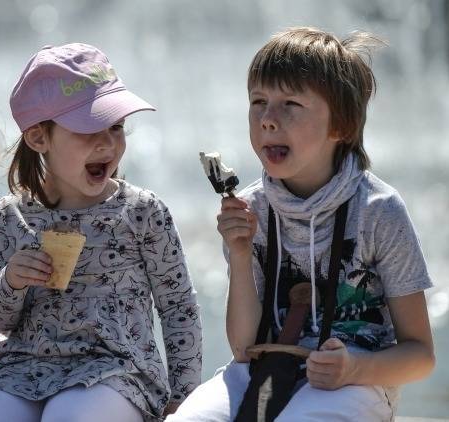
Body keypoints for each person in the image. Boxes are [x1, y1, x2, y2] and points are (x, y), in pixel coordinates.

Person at [168, 27, 435, 421]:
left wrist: (354, 368)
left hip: (354, 380)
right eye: (258, 101)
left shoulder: (379, 210)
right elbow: (243, 349)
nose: (268, 120)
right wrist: (240, 254)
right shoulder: (250, 207)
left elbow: (421, 355)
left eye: (290, 103)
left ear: (340, 126)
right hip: (262, 369)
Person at [0, 43, 202, 422]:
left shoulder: (141, 212)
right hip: (22, 368)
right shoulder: (11, 214)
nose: (107, 142)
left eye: (117, 126)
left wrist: (184, 400)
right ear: (39, 138)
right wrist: (12, 281)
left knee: (68, 416)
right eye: (89, 128)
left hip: (117, 372)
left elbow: (178, 308)